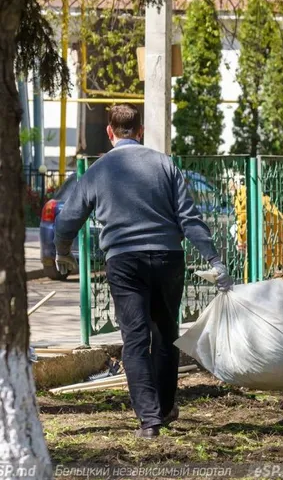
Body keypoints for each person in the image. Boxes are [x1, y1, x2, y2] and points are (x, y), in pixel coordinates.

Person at [54, 104, 233, 438]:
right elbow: (189, 218)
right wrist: (214, 260)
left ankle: (149, 422)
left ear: (110, 133)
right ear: (140, 132)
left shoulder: (99, 169)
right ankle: (165, 409)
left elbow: (69, 216)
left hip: (124, 262)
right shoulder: (165, 164)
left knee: (135, 340)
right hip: (168, 258)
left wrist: (62, 252)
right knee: (166, 335)